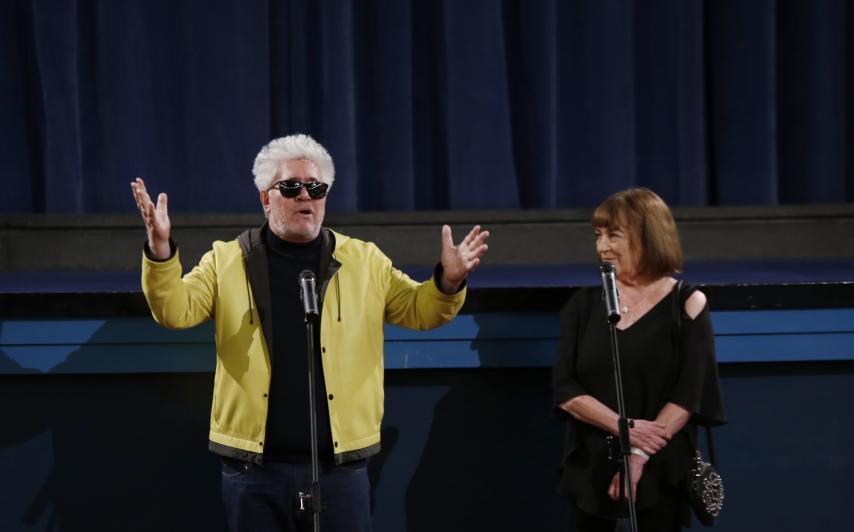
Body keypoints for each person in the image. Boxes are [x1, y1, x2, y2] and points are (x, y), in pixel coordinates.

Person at [130, 133, 489, 532]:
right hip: (254, 470)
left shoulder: (364, 260)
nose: (306, 196)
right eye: (291, 187)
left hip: (340, 470)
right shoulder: (227, 260)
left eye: (316, 187)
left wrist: (449, 282)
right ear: (266, 198)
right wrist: (160, 252)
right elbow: (174, 311)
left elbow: (422, 311)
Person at [552, 188, 726, 532]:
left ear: (649, 236)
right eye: (598, 235)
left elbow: (689, 394)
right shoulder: (584, 306)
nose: (603, 247)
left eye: (614, 235)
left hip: (661, 465)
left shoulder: (686, 303)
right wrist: (623, 427)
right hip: (593, 466)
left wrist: (638, 455)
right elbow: (565, 389)